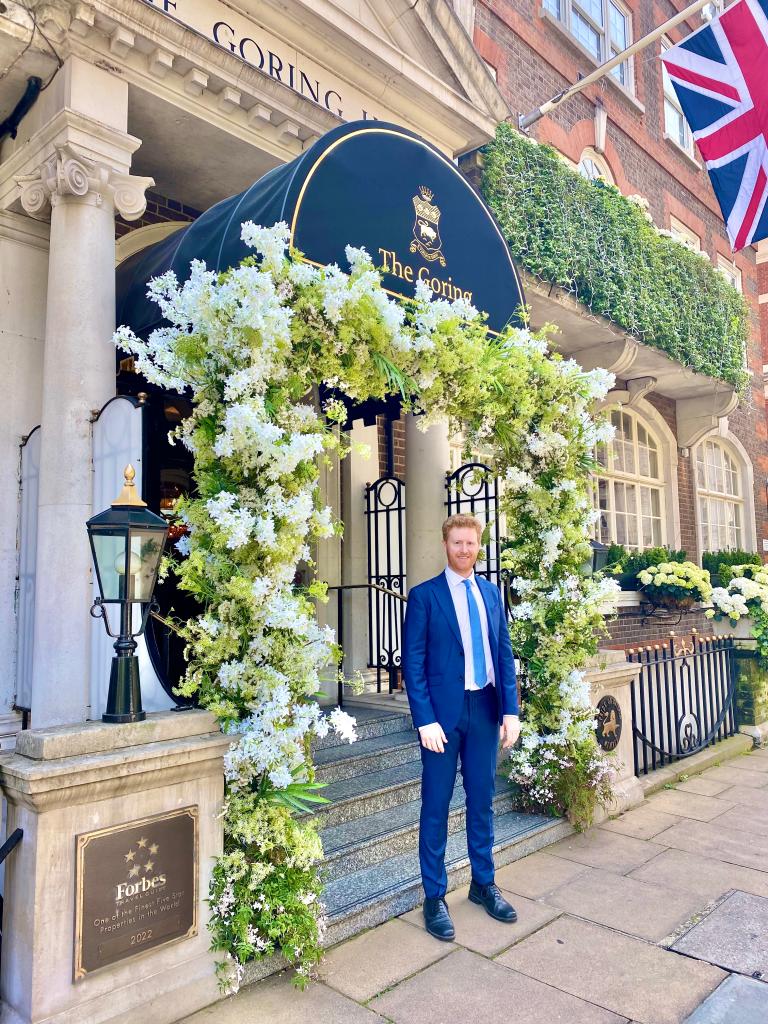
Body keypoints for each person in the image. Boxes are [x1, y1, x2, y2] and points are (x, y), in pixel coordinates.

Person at [402, 513, 520, 940]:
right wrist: (424, 719)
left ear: (478, 545)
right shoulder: (425, 597)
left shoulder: (490, 593)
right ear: (445, 545)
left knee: (483, 800)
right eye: (457, 543)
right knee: (435, 807)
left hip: (486, 710)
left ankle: (483, 884)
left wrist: (512, 710)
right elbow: (412, 664)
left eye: (471, 543)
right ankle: (434, 896)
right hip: (442, 718)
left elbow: (503, 654)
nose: (464, 550)